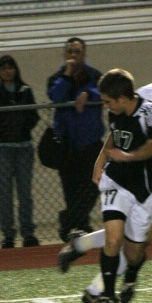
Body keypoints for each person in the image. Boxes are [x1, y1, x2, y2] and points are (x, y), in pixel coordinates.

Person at [58, 42, 152, 303]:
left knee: (138, 243)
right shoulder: (142, 95)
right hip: (131, 174)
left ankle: (80, 246)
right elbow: (121, 129)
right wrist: (106, 157)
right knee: (119, 235)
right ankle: (98, 290)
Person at [91, 68, 152, 303]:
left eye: (108, 102)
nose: (105, 106)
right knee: (113, 239)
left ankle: (131, 273)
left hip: (143, 189)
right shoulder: (115, 111)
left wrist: (128, 156)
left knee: (134, 253)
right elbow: (113, 135)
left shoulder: (150, 113)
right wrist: (100, 161)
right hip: (116, 182)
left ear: (123, 98)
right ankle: (107, 295)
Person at [0, 54, 40, 249]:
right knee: (5, 193)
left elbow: (33, 117)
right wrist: (0, 122)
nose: (7, 71)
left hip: (24, 147)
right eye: (3, 68)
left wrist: (21, 123)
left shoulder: (25, 91)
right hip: (1, 149)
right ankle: (8, 235)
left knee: (25, 192)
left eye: (11, 67)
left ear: (16, 69)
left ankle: (28, 233)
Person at [47, 37, 105, 243]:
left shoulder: (95, 76)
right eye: (70, 51)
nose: (74, 55)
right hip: (67, 144)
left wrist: (88, 93)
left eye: (77, 51)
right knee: (70, 189)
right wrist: (68, 76)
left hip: (91, 143)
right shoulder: (57, 77)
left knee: (94, 184)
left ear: (84, 54)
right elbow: (56, 96)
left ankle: (68, 220)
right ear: (65, 55)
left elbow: (104, 93)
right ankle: (80, 227)